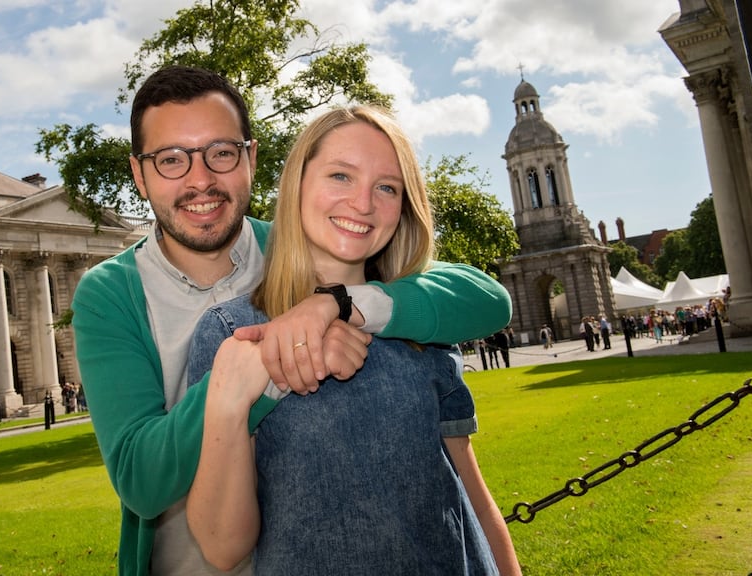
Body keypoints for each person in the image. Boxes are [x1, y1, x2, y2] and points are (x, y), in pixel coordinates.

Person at [71, 66, 512, 575]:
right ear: (139, 174)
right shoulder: (110, 292)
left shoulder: (305, 244)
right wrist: (270, 364)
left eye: (221, 153)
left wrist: (337, 303)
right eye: (171, 160)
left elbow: (474, 295)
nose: (200, 179)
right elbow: (140, 480)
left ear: (251, 159)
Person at [185, 106, 519, 575]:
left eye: (387, 187)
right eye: (340, 176)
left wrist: (340, 303)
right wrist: (228, 400)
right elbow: (222, 547)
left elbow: (472, 499)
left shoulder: (419, 322)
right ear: (297, 184)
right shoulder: (231, 333)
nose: (363, 204)